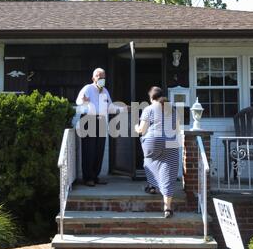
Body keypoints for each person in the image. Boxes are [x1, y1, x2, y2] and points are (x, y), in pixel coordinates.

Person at [134, 86, 180, 218]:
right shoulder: (173, 109)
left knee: (150, 161)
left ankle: (152, 186)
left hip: (153, 140)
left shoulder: (148, 109)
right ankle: (168, 208)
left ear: (151, 98)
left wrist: (136, 127)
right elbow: (176, 129)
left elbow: (142, 130)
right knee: (169, 171)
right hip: (171, 141)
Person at [76, 68, 124, 187]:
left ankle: (95, 176)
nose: (101, 78)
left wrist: (123, 109)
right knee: (89, 150)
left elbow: (110, 108)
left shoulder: (105, 91)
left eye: (103, 77)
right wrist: (83, 101)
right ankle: (88, 178)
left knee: (99, 150)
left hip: (102, 121)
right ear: (93, 78)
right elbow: (78, 101)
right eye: (98, 76)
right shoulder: (87, 88)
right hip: (88, 120)